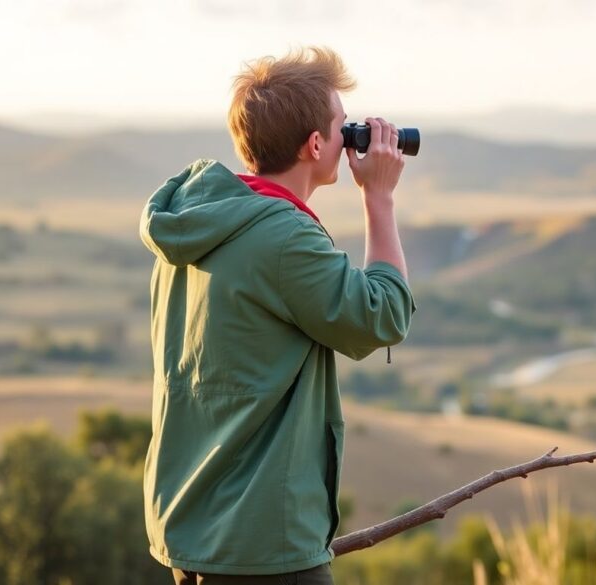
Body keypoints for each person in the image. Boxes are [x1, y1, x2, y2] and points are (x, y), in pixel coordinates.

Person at [138, 47, 415, 584]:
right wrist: (378, 198)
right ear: (315, 145)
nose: (350, 139)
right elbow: (382, 316)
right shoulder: (283, 236)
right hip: (262, 545)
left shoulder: (196, 221)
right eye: (343, 128)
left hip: (190, 530)